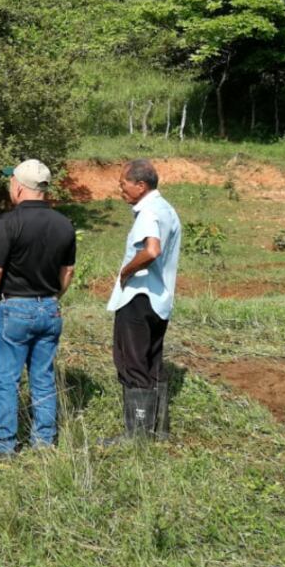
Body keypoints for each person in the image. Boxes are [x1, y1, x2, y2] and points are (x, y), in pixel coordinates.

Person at [0, 160, 76, 457]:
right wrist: (52, 299)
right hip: (49, 307)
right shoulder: (64, 224)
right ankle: (43, 442)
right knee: (42, 377)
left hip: (14, 308)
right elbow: (68, 272)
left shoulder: (8, 223)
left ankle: (2, 445)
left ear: (17, 185)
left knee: (5, 380)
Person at [103, 158, 181, 443]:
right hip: (160, 298)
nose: (120, 189)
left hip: (139, 296)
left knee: (132, 362)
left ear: (141, 185)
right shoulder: (167, 209)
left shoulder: (148, 212)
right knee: (152, 362)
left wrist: (126, 271)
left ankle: (136, 436)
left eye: (123, 184)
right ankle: (159, 430)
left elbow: (152, 250)